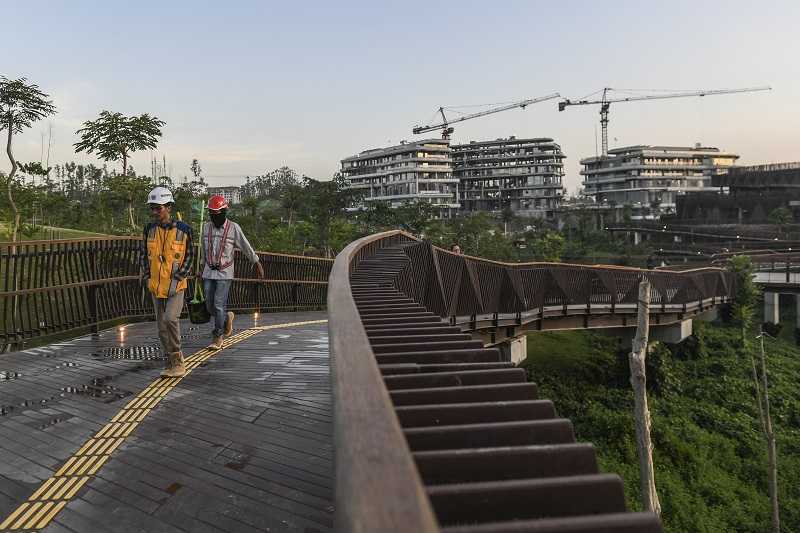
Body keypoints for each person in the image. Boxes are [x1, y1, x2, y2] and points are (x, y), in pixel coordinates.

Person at [140, 187, 195, 378]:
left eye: (158, 208)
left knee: (170, 319)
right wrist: (147, 275)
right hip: (155, 285)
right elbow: (143, 255)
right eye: (153, 208)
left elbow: (190, 256)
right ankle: (169, 362)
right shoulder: (149, 229)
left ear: (169, 207)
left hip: (175, 286)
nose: (155, 212)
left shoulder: (184, 230)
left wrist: (180, 275)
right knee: (161, 327)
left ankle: (178, 362)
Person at [201, 194, 264, 350]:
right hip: (208, 271)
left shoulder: (233, 228)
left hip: (224, 272)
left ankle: (218, 336)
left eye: (217, 213)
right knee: (209, 305)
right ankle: (227, 318)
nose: (214, 217)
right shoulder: (206, 227)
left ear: (224, 212)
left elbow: (245, 245)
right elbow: (203, 249)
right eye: (212, 214)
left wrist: (256, 262)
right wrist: (200, 268)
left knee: (218, 304)